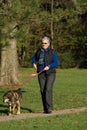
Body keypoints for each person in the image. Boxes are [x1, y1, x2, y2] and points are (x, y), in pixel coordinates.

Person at [32, 36, 58, 114]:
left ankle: (49, 108)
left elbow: (56, 62)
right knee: (43, 90)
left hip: (51, 73)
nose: (43, 44)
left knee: (48, 89)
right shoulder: (39, 51)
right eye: (42, 43)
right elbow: (33, 58)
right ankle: (45, 109)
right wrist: (33, 63)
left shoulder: (52, 52)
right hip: (41, 73)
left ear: (49, 43)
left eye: (45, 43)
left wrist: (49, 66)